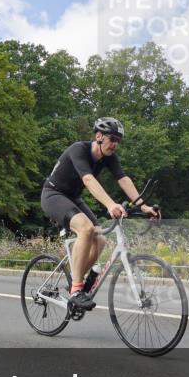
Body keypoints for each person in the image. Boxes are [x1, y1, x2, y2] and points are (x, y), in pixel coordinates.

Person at [40, 117, 160, 311]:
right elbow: (87, 179)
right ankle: (76, 290)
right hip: (53, 194)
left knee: (101, 240)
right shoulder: (78, 149)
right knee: (86, 229)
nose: (115, 145)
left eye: (118, 141)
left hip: (73, 198)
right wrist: (110, 204)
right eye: (112, 139)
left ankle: (74, 280)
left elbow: (123, 179)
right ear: (99, 136)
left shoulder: (109, 157)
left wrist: (143, 206)